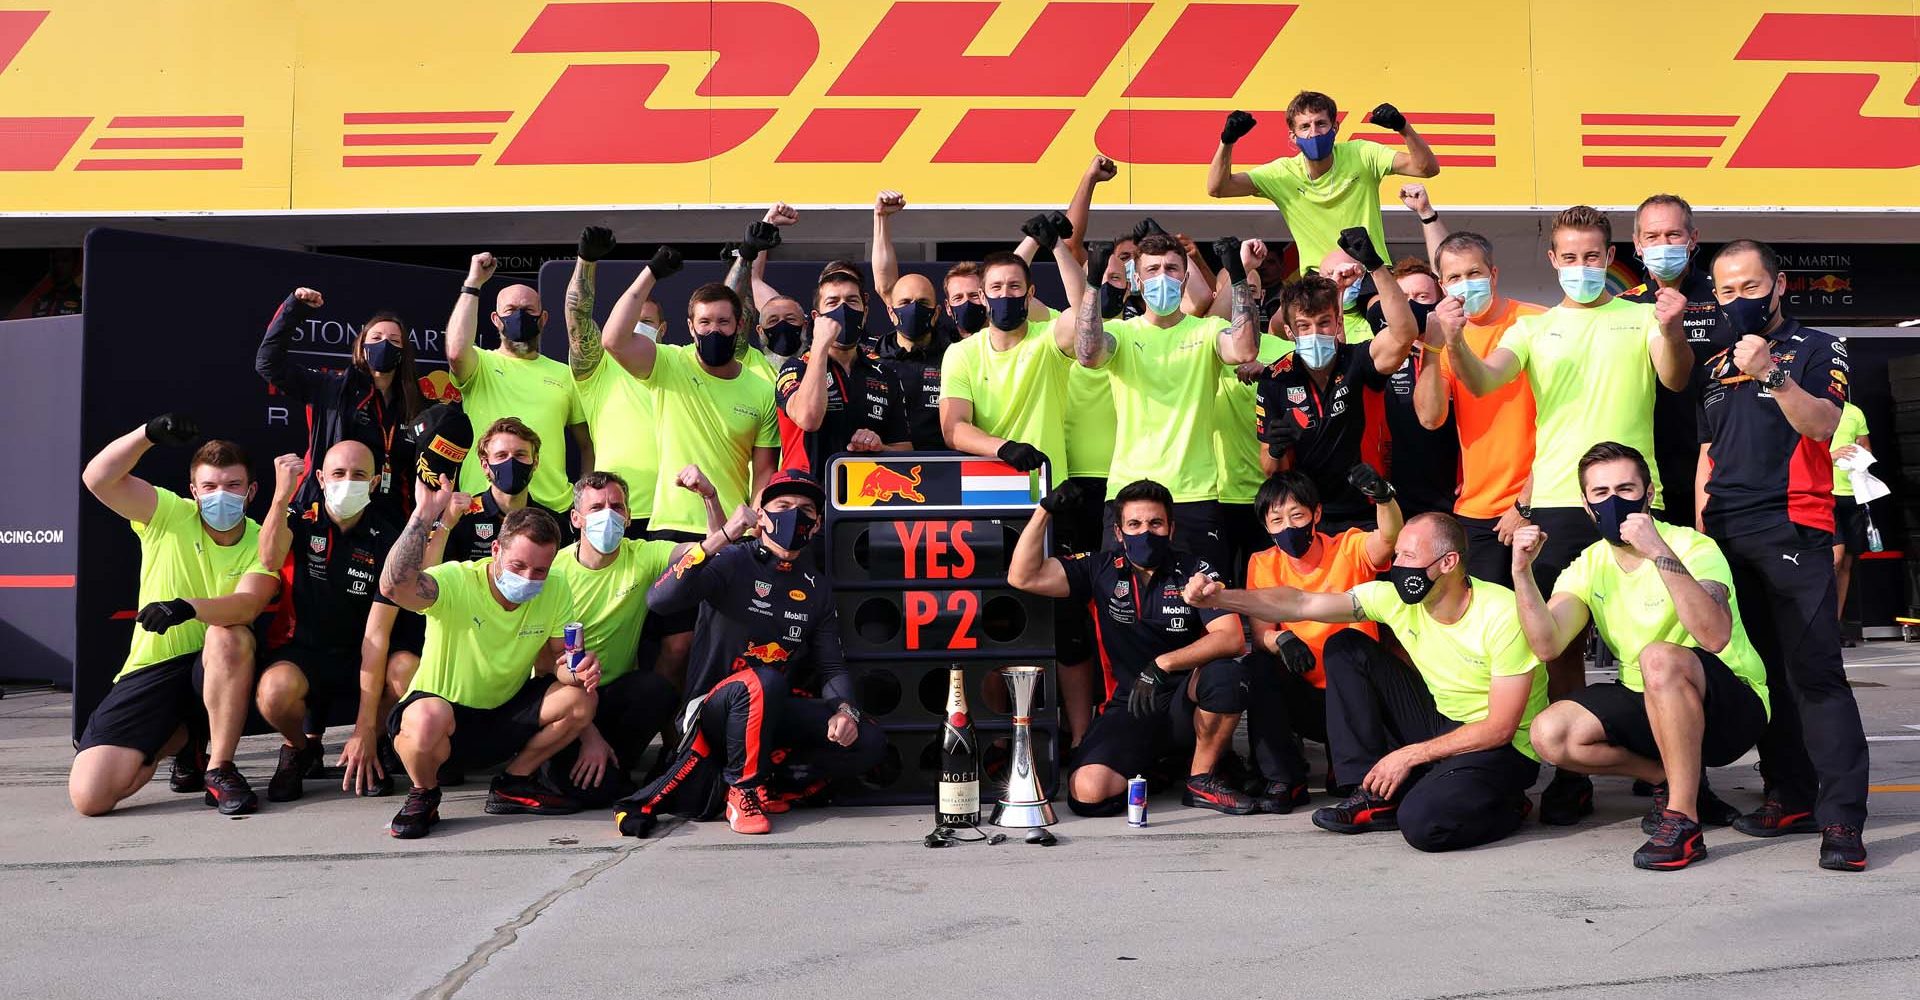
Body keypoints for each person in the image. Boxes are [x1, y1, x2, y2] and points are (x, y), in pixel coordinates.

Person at [1439, 204, 1691, 825]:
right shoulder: (1531, 329)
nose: (1581, 266)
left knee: (1652, 640)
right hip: (1555, 502)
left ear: (1610, 258)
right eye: (1569, 257)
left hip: (1634, 497)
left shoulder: (1642, 318)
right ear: (1552, 261)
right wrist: (1449, 339)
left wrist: (1675, 329)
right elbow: (1480, 381)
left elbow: (1676, 377)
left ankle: (1670, 769)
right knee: (1560, 649)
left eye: (1592, 256)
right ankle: (1574, 773)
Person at [1186, 513, 1549, 853]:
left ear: (1448, 563)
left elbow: (1501, 728)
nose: (1398, 565)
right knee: (1345, 645)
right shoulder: (1396, 599)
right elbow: (1297, 604)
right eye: (1397, 555)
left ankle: (1509, 804)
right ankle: (1368, 790)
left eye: (1408, 556)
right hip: (1443, 720)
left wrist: (1411, 755)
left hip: (1505, 747)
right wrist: (1223, 598)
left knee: (1423, 825)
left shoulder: (1501, 613)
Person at [1515, 443, 1768, 870]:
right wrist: (1521, 573)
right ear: (1586, 504)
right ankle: (1664, 776)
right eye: (1600, 493)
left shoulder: (1692, 546)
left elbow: (1713, 633)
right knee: (1550, 733)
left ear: (1648, 494)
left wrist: (1658, 552)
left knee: (1659, 659)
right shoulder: (1589, 563)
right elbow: (1548, 644)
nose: (1613, 500)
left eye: (1625, 488)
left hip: (1730, 702)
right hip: (1648, 700)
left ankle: (1684, 819)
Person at [1697, 239, 1868, 871]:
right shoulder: (1714, 365)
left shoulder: (1821, 346)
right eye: (1725, 290)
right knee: (1763, 675)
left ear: (1778, 286)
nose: (1738, 299)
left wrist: (1772, 371)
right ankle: (1789, 795)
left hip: (1793, 526)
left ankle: (1844, 819)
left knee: (1815, 675)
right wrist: (1701, 534)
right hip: (1726, 535)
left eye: (1749, 287)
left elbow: (1823, 424)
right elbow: (1705, 458)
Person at [645, 470, 886, 835]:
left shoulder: (816, 587)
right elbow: (660, 600)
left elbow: (831, 665)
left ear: (818, 524)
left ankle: (770, 784)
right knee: (764, 680)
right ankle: (744, 790)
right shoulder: (732, 560)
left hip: (768, 711)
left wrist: (846, 712)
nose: (795, 515)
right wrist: (723, 536)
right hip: (709, 711)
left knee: (868, 740)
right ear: (761, 514)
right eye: (783, 506)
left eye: (806, 510)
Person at [1009, 479, 1257, 815]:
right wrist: (1045, 511)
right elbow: (1022, 577)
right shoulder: (1100, 567)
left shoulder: (1194, 569)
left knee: (1227, 674)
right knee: (1087, 793)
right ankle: (1156, 767)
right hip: (1131, 704)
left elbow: (1231, 637)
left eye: (1155, 524)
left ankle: (1201, 778)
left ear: (1171, 529)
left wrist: (1163, 663)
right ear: (1119, 532)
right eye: (1135, 525)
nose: (1145, 533)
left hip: (1185, 702)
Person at [71, 418, 280, 817]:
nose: (222, 495)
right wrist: (147, 434)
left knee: (228, 635)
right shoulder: (168, 512)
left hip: (219, 668)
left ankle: (219, 768)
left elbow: (247, 605)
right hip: (153, 666)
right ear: (194, 492)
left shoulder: (263, 539)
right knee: (90, 797)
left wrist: (187, 607)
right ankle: (183, 740)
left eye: (233, 486)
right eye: (210, 487)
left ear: (251, 491)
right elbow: (98, 478)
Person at [377, 481, 598, 839]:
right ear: (495, 550)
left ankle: (514, 783)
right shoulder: (456, 579)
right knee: (428, 717)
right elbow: (394, 587)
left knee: (581, 699)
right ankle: (424, 792)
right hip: (441, 714)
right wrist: (422, 514)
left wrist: (580, 669)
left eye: (539, 570)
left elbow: (561, 659)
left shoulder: (556, 587)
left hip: (503, 714)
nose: (529, 578)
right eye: (518, 565)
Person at [546, 469, 748, 806]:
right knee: (586, 792)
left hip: (616, 696)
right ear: (576, 518)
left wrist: (710, 496)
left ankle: (622, 764)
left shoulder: (642, 555)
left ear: (627, 518)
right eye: (596, 508)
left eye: (617, 507)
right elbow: (546, 669)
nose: (608, 515)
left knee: (656, 690)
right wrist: (589, 737)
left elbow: (714, 549)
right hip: (565, 702)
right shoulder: (554, 572)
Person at [1072, 233, 1263, 573]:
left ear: (1185, 278)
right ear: (1138, 280)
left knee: (1205, 604)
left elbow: (1246, 350)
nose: (1163, 276)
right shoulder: (1123, 333)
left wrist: (1236, 274)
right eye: (1153, 269)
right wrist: (1091, 283)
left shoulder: (1207, 331)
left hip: (1194, 495)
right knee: (1124, 605)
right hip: (1128, 493)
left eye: (1172, 268)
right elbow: (1087, 354)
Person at [1242, 467, 1402, 806]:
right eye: (1277, 520)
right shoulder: (1262, 563)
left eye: (1297, 515)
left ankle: (1354, 776)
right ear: (1266, 527)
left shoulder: (1348, 547)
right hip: (1305, 694)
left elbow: (1388, 538)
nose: (1288, 527)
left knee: (1342, 650)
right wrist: (1281, 641)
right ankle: (1283, 778)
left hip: (1356, 698)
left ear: (1316, 513)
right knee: (1258, 666)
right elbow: (1260, 634)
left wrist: (1383, 497)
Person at [255, 442, 403, 800]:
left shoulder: (388, 536)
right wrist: (281, 496)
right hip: (304, 652)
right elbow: (269, 557)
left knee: (407, 670)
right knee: (274, 693)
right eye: (338, 474)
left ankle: (372, 746)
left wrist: (365, 728)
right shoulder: (301, 518)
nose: (347, 482)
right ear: (320, 478)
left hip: (363, 654)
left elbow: (377, 636)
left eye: (358, 475)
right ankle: (297, 749)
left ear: (375, 481)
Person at [1408, 214, 1544, 587]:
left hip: (1538, 501)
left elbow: (1565, 422)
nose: (1465, 285)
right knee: (1487, 625)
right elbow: (1431, 417)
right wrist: (1435, 344)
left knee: (1552, 625)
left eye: (1474, 274)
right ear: (1442, 285)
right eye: (1454, 278)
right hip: (1477, 508)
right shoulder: (1446, 339)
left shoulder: (1538, 322)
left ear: (1494, 275)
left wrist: (1526, 502)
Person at [1255, 230, 1421, 533]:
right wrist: (1276, 449)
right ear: (1290, 333)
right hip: (1306, 516)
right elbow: (1269, 468)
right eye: (1304, 326)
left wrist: (1375, 265)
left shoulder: (1358, 359)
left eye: (1324, 323)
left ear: (1338, 322)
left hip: (1367, 509)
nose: (1315, 333)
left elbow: (1404, 333)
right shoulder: (1275, 377)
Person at [1206, 94, 1439, 271]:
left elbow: (1426, 168)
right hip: (1318, 281)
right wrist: (1227, 141)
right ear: (1293, 136)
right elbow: (1218, 188)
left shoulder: (1362, 153)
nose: (1314, 133)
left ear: (1335, 127)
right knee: (1279, 324)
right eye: (1305, 127)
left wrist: (1402, 127)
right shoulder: (1282, 173)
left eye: (1321, 124)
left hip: (1372, 271)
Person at [255, 286, 425, 518]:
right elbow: (268, 364)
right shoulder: (332, 388)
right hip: (327, 512)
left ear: (404, 352)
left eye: (394, 340)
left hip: (389, 517)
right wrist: (294, 309)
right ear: (362, 347)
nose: (384, 344)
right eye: (376, 338)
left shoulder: (417, 403)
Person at [445, 252, 592, 513]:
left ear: (543, 319)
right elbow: (456, 352)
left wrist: (584, 500)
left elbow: (587, 445)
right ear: (496, 320)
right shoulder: (480, 365)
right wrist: (474, 283)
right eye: (511, 310)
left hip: (551, 507)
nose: (520, 316)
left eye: (528, 310)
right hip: (484, 506)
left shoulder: (564, 374)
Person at [1619, 194, 1726, 531]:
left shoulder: (1725, 297)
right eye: (1652, 237)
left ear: (1693, 239)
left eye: (1673, 235)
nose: (1662, 244)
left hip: (1720, 457)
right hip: (1647, 465)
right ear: (1637, 243)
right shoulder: (1624, 306)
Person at [565, 225, 661, 537]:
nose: (635, 328)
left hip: (676, 512)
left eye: (645, 322)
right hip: (613, 514)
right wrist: (586, 262)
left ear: (663, 330)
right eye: (629, 321)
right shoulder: (597, 368)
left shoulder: (682, 362)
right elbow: (578, 318)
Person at [774, 269, 911, 472]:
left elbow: (906, 450)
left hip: (865, 496)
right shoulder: (795, 368)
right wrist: (820, 344)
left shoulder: (884, 374)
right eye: (832, 302)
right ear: (816, 317)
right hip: (810, 496)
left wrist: (880, 448)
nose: (843, 309)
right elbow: (808, 419)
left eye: (852, 301)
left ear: (864, 313)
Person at [1368, 256, 1459, 519]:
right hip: (1393, 500)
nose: (1410, 305)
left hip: (1453, 500)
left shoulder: (1457, 355)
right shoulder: (1377, 358)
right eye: (1403, 297)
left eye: (1422, 297)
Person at [868, 191, 955, 450]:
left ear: (938, 312)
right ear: (891, 311)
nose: (914, 309)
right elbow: (884, 284)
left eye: (923, 303)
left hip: (947, 471)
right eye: (905, 303)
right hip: (885, 472)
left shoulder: (956, 350)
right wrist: (880, 218)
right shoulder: (872, 356)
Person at [442, 417, 570, 562]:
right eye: (501, 455)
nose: (511, 462)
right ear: (485, 465)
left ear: (535, 462)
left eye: (520, 455)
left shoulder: (554, 524)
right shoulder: (459, 518)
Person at [1829, 400, 1873, 640]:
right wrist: (1832, 454)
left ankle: (1834, 624)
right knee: (1834, 558)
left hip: (1854, 494)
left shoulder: (1855, 411)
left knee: (1846, 563)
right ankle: (1822, 622)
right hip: (1826, 493)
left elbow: (1866, 446)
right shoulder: (1812, 409)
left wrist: (1861, 454)